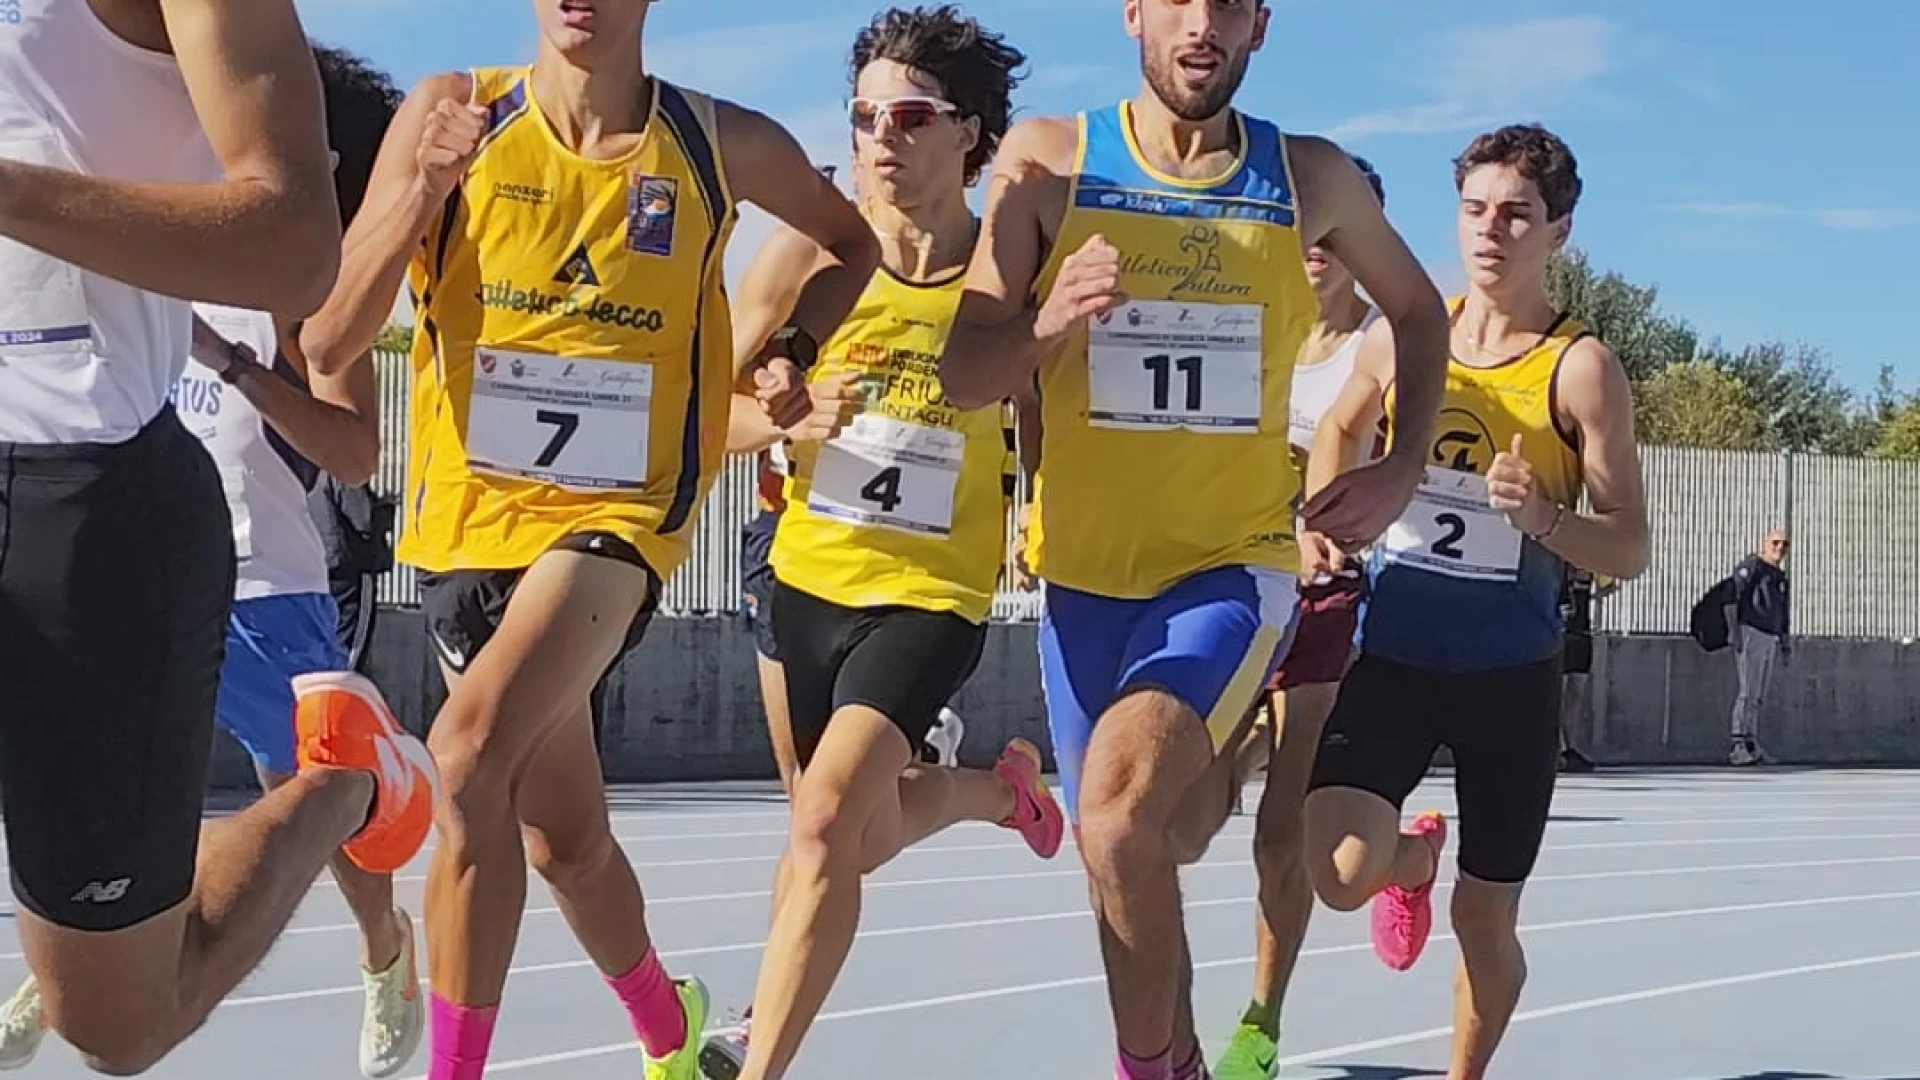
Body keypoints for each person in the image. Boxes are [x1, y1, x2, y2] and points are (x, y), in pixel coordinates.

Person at [294, 0, 881, 1076]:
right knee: (561, 842)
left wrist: (794, 344)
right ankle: (671, 1028)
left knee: (466, 758)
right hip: (471, 530)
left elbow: (853, 242)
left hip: (623, 519)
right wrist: (423, 186)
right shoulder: (455, 110)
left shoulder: (717, 142)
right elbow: (328, 335)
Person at [939, 1, 1452, 1075]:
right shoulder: (1049, 162)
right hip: (1085, 579)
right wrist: (1047, 322)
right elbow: (965, 373)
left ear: (1260, 26)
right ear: (1134, 12)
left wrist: (1402, 465)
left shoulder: (1309, 178)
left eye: (1228, 3)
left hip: (1233, 566)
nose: (1201, 22)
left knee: (1123, 819)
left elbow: (1417, 309)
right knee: (1135, 849)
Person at [0, 41, 427, 1077]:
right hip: (117, 551)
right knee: (117, 820)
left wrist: (233, 363)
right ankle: (70, 955)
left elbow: (358, 451)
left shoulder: (283, 302)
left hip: (262, 587)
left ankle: (382, 943)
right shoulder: (133, 216)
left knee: (307, 810)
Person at [697, 12, 1061, 1080]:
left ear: (971, 136)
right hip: (803, 575)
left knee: (821, 827)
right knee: (835, 835)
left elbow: (1039, 402)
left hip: (930, 593)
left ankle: (761, 1054)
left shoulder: (1004, 274)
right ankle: (1000, 793)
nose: (879, 140)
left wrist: (1039, 510)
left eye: (909, 117)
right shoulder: (803, 258)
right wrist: (784, 421)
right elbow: (697, 413)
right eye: (862, 119)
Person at [1300, 123, 1650, 1080]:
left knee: (1483, 917)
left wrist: (1543, 518)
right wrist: (1323, 520)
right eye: (1474, 210)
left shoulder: (1580, 370)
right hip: (1397, 658)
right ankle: (1410, 859)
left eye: (1516, 214)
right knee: (1334, 873)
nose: (1490, 231)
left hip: (1511, 681)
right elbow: (1338, 425)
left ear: (1559, 232)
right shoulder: (1407, 334)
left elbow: (1631, 545)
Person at [1214, 154, 1388, 1080]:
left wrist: (1331, 522)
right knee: (1186, 819)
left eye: (1335, 233)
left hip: (1328, 603)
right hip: (1232, 587)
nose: (1316, 249)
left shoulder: (1383, 349)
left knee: (1282, 831)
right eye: (1303, 229)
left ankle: (1259, 1024)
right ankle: (1409, 854)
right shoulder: (1250, 328)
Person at [1726, 528, 1790, 765]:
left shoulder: (1780, 578)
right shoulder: (1752, 566)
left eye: (1784, 544)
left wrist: (1783, 641)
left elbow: (1783, 612)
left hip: (1769, 635)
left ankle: (1752, 742)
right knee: (1748, 690)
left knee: (1759, 693)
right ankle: (1738, 744)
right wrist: (1735, 633)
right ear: (1764, 544)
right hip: (1750, 631)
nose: (1779, 549)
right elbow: (1732, 597)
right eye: (1775, 543)